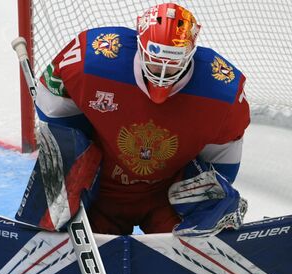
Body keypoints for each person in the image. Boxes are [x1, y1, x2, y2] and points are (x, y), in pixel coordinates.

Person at [16, 2, 249, 237]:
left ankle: (213, 232)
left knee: (217, 194)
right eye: (155, 60)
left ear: (191, 52)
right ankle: (44, 233)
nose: (161, 73)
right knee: (60, 152)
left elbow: (223, 163)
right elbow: (50, 100)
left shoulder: (222, 90)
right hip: (99, 191)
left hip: (167, 196)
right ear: (139, 43)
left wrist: (209, 200)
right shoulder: (95, 56)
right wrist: (75, 156)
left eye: (171, 65)